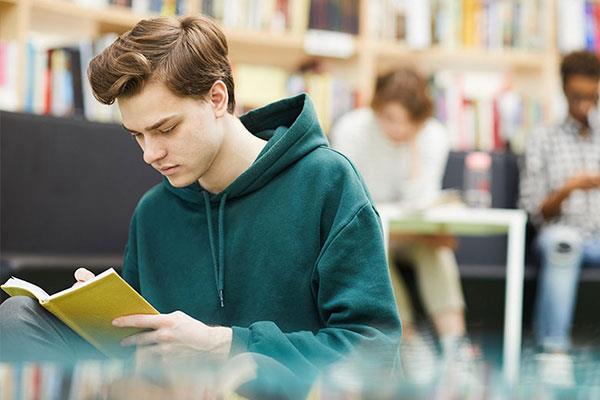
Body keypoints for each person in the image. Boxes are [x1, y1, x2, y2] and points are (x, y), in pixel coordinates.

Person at [0, 15, 400, 396]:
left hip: (275, 393)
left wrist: (228, 344)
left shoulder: (326, 182)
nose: (150, 154)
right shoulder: (153, 213)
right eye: (137, 135)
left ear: (216, 97)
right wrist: (98, 320)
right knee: (19, 317)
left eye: (166, 129)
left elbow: (375, 349)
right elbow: (145, 360)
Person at [330, 67, 473, 384]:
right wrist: (415, 233)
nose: (397, 129)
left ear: (421, 119)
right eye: (390, 119)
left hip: (411, 234)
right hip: (362, 234)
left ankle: (455, 348)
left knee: (437, 255)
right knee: (377, 253)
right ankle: (409, 342)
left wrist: (414, 146)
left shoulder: (433, 135)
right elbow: (348, 207)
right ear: (376, 108)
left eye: (408, 121)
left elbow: (420, 201)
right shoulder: (351, 130)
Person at [520, 50, 600, 386]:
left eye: (592, 97)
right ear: (564, 90)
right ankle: (553, 351)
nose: (584, 105)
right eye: (577, 96)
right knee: (563, 244)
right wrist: (570, 188)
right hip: (561, 233)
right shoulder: (543, 139)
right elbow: (534, 210)